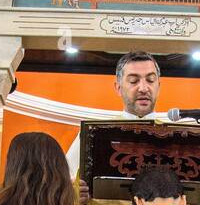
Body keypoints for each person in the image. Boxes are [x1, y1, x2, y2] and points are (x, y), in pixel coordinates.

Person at [65, 50, 165, 188]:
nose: (143, 88)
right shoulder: (94, 133)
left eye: (150, 80)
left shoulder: (176, 134)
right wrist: (77, 194)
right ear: (118, 88)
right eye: (133, 81)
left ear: (158, 87)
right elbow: (65, 183)